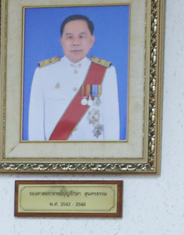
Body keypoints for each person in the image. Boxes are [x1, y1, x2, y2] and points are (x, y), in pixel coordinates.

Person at [26, 13, 121, 142]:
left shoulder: (106, 72)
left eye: (82, 36)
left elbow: (111, 120)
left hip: (93, 151)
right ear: (62, 42)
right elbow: (35, 122)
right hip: (54, 151)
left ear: (92, 40)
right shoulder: (43, 72)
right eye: (70, 37)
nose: (76, 42)